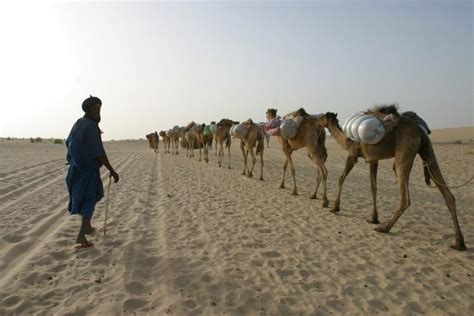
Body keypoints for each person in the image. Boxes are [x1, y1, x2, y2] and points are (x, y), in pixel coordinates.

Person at [65, 96, 119, 249]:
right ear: (89, 109)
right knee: (89, 200)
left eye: (99, 108)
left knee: (88, 198)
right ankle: (82, 235)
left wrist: (74, 158)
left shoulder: (78, 123)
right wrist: (112, 171)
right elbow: (99, 153)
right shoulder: (91, 126)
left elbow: (68, 142)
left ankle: (87, 227)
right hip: (87, 170)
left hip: (76, 169)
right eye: (95, 109)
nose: (98, 112)